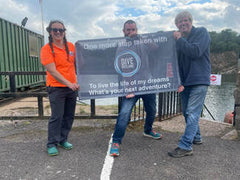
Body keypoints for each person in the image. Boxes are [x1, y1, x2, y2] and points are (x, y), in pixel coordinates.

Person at [110, 20, 163, 157]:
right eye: (128, 30)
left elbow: (155, 48)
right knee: (124, 114)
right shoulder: (122, 45)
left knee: (152, 110)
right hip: (131, 87)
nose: (131, 32)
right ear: (123, 31)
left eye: (133, 29)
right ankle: (116, 142)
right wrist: (129, 88)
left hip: (147, 83)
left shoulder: (142, 41)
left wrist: (144, 39)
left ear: (137, 29)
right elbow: (122, 67)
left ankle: (148, 130)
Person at [168, 11, 211, 158]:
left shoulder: (201, 32)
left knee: (192, 112)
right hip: (185, 83)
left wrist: (179, 39)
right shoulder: (180, 41)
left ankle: (186, 146)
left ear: (191, 21)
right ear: (177, 25)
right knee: (187, 112)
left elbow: (195, 52)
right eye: (179, 22)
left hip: (199, 81)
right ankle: (196, 137)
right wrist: (177, 81)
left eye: (185, 20)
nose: (183, 23)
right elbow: (177, 62)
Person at [40, 20, 80, 156]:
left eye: (61, 30)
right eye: (55, 30)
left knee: (69, 116)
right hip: (56, 88)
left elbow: (79, 65)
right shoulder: (46, 49)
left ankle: (63, 139)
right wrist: (68, 83)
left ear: (64, 32)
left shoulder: (71, 47)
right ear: (50, 32)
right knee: (57, 116)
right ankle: (51, 143)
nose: (58, 32)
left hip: (72, 88)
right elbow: (52, 71)